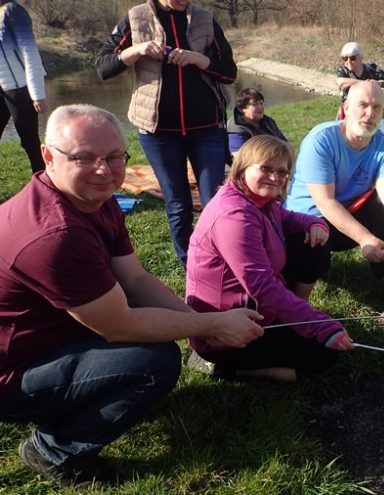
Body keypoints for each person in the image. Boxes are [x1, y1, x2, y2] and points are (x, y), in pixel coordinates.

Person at [0, 104, 263, 487]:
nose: (104, 170)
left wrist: (199, 325)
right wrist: (210, 324)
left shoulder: (96, 198)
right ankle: (54, 448)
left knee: (146, 346)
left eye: (113, 157)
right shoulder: (56, 235)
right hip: (12, 373)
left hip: (55, 333)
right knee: (151, 362)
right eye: (84, 158)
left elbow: (135, 280)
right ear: (47, 156)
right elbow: (119, 325)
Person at [186, 136, 353, 382]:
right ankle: (227, 369)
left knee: (312, 245)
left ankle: (293, 316)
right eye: (266, 168)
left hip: (256, 309)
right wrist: (319, 325)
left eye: (282, 171)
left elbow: (286, 217)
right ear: (243, 166)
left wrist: (314, 222)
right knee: (322, 354)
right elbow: (262, 287)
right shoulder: (234, 216)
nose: (275, 177)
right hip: (225, 331)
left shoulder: (259, 200)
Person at [96, 0, 237, 267]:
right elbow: (103, 67)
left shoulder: (205, 18)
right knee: (179, 203)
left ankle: (223, 261)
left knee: (215, 201)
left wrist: (200, 59)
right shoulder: (135, 18)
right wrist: (136, 50)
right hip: (159, 132)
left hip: (206, 128)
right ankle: (191, 265)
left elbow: (229, 72)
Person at [285, 81, 384, 312]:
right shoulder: (322, 139)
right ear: (346, 107)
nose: (370, 113)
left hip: (349, 214)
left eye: (377, 107)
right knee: (313, 246)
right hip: (308, 220)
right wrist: (364, 238)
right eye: (363, 105)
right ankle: (297, 306)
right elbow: (325, 202)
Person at [0, 0, 47, 173]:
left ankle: (44, 182)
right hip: (3, 88)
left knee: (29, 140)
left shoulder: (13, 11)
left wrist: (37, 94)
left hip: (21, 87)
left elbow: (30, 52)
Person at [335, 41, 384, 141]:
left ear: (360, 58)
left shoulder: (371, 69)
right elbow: (340, 82)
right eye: (345, 58)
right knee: (339, 132)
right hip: (352, 108)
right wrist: (366, 84)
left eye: (352, 58)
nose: (348, 61)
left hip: (373, 106)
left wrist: (379, 83)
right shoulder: (343, 71)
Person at [227, 87, 288, 155]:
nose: (260, 107)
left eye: (261, 103)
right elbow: (238, 157)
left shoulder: (269, 122)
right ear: (242, 109)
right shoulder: (236, 129)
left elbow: (285, 144)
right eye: (255, 104)